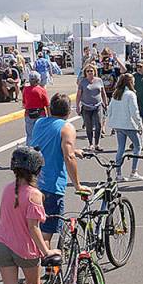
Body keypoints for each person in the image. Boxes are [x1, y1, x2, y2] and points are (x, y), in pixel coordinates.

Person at [0, 146, 59, 284]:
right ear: (37, 171)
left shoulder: (6, 189)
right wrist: (47, 252)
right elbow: (34, 229)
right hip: (25, 250)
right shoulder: (34, 195)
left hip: (2, 245)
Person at [31, 94, 89, 242]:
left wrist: (74, 150)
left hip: (34, 182)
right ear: (69, 111)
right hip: (51, 185)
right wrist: (77, 185)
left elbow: (46, 144)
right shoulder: (66, 128)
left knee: (33, 225)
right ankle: (47, 263)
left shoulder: (39, 123)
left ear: (50, 108)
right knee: (46, 232)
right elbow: (69, 157)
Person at [107, 74, 143, 182]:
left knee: (120, 149)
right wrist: (140, 125)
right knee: (137, 147)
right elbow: (134, 112)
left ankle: (118, 174)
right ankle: (134, 171)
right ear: (130, 83)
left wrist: (112, 121)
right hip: (129, 125)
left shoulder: (116, 93)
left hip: (118, 125)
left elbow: (109, 110)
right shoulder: (130, 94)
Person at [76, 64, 108, 152]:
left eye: (91, 71)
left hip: (98, 106)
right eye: (88, 71)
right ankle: (90, 144)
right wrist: (78, 106)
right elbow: (78, 95)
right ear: (85, 73)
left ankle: (97, 144)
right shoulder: (83, 82)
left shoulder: (99, 81)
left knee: (99, 125)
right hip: (86, 107)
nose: (90, 72)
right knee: (88, 126)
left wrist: (105, 103)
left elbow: (103, 93)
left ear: (94, 72)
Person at [22, 71, 50, 145]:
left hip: (29, 113)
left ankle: (29, 150)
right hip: (40, 114)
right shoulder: (42, 90)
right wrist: (49, 116)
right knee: (41, 133)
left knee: (30, 135)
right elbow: (47, 104)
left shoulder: (25, 90)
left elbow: (24, 103)